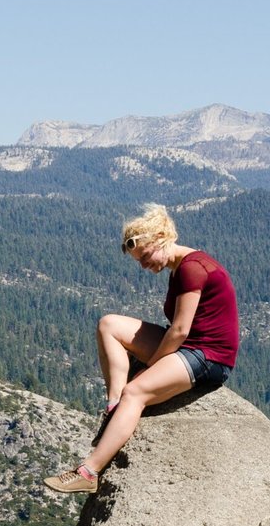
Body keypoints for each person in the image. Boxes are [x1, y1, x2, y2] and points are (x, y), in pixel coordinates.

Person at [45, 203, 238, 493]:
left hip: (209, 356)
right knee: (109, 325)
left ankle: (88, 472)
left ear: (161, 238)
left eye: (145, 256)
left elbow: (180, 329)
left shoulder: (191, 269)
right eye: (139, 261)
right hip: (190, 345)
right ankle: (113, 407)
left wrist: (151, 367)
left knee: (135, 392)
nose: (144, 266)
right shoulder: (180, 267)